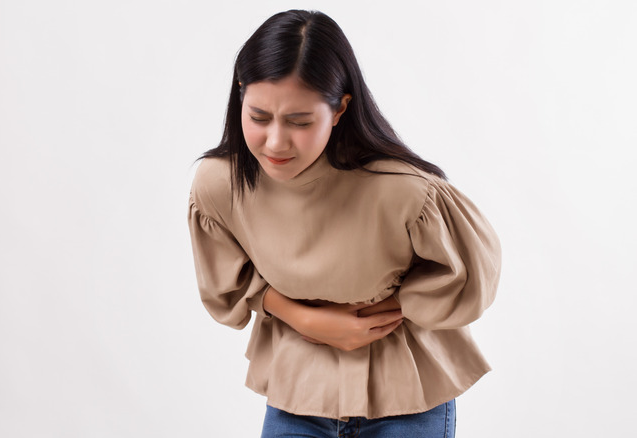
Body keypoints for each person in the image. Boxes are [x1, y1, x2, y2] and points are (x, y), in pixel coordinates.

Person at [187, 9, 500, 438]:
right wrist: (307, 319)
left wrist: (384, 311)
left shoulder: (402, 189)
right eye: (259, 117)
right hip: (299, 391)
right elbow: (231, 286)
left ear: (339, 110)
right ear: (240, 94)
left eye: (300, 122)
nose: (275, 142)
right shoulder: (219, 185)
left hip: (407, 393)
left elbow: (469, 277)